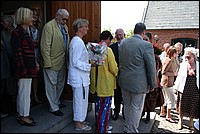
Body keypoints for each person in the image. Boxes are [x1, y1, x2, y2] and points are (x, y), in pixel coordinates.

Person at [119, 22, 156, 133]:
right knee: (136, 107)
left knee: (127, 105)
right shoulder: (146, 45)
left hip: (124, 80)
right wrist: (152, 83)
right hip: (139, 83)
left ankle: (127, 127)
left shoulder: (123, 42)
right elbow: (151, 67)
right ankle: (132, 130)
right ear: (143, 32)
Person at [10, 7, 38, 126]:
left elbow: (29, 52)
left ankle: (22, 114)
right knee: (24, 93)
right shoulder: (17, 33)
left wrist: (35, 63)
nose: (33, 18)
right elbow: (17, 54)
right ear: (25, 17)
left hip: (28, 69)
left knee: (24, 92)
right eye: (31, 16)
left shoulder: (25, 32)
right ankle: (24, 117)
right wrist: (23, 69)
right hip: (24, 70)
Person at [40, 9, 70, 116]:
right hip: (51, 62)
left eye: (67, 19)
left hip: (62, 61)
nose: (65, 21)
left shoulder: (64, 27)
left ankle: (56, 102)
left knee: (60, 83)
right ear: (57, 16)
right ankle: (53, 107)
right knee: (51, 85)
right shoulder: (49, 26)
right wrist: (47, 62)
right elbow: (45, 46)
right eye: (63, 19)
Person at [90, 30, 118, 133]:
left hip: (96, 84)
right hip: (105, 85)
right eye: (110, 40)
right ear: (108, 39)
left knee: (98, 109)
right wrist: (117, 72)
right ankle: (102, 130)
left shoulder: (93, 48)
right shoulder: (108, 50)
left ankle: (101, 127)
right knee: (105, 110)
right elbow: (113, 68)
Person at [67, 18, 92, 131]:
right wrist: (90, 66)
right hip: (79, 78)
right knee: (79, 100)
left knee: (82, 100)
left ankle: (80, 120)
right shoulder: (77, 42)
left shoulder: (79, 41)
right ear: (79, 28)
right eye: (85, 26)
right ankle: (78, 123)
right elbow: (75, 61)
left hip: (81, 77)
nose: (87, 28)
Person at [174, 47, 199, 130]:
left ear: (194, 56)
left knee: (193, 104)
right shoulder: (183, 65)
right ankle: (180, 121)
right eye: (186, 56)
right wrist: (176, 87)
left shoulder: (198, 65)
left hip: (195, 89)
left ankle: (191, 122)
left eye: (188, 57)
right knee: (182, 105)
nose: (186, 58)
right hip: (184, 88)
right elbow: (179, 77)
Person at [142, 32, 162, 124]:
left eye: (146, 39)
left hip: (152, 79)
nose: (144, 41)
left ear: (150, 41)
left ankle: (148, 115)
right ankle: (142, 113)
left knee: (151, 99)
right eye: (143, 40)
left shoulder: (154, 53)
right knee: (143, 98)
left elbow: (158, 67)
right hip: (142, 79)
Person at [1, 15, 17, 118]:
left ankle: (14, 107)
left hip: (15, 63)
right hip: (6, 63)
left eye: (4, 22)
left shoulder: (15, 32)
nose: (2, 24)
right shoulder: (2, 34)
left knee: (14, 85)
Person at [109, 28, 125, 120]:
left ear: (124, 35)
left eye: (120, 35)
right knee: (117, 94)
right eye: (117, 35)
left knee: (126, 95)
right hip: (115, 74)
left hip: (126, 74)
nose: (119, 36)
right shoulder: (111, 47)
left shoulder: (128, 46)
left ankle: (125, 112)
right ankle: (116, 111)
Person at [27, 8, 42, 104]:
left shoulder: (38, 28)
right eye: (33, 14)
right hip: (29, 53)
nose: (35, 16)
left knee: (36, 76)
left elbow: (40, 41)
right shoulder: (26, 27)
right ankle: (28, 97)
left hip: (37, 53)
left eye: (36, 14)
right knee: (29, 76)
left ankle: (35, 95)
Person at [160, 46, 177, 123]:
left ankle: (162, 112)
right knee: (171, 99)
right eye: (175, 52)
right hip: (167, 82)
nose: (176, 54)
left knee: (165, 98)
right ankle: (168, 116)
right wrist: (173, 74)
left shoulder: (167, 59)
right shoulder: (169, 60)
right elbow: (163, 71)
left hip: (165, 82)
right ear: (172, 53)